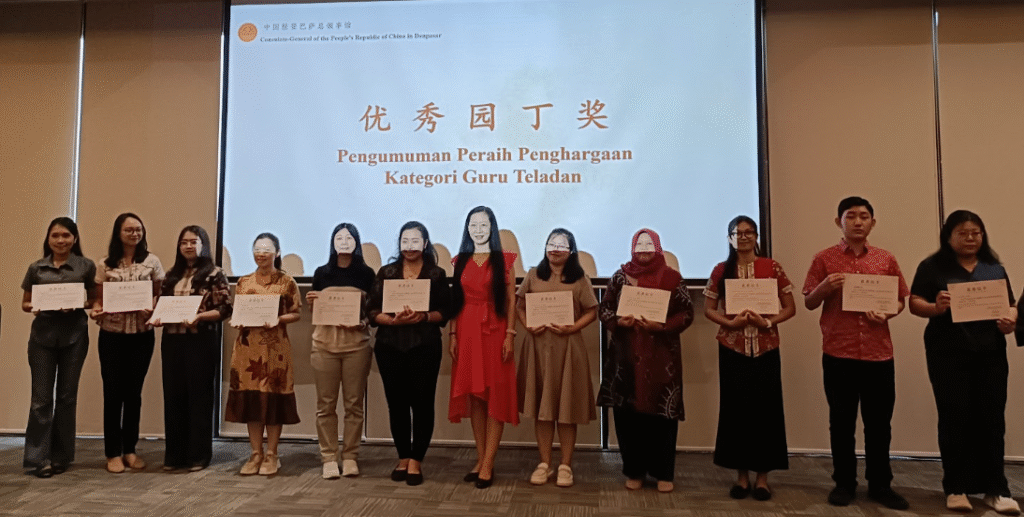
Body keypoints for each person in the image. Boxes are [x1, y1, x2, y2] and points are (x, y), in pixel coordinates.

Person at [909, 210, 1020, 515]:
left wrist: (1010, 321)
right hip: (948, 354)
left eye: (976, 233)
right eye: (963, 233)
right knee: (954, 417)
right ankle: (956, 488)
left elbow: (1011, 305)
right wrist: (935, 307)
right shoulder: (932, 267)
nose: (970, 238)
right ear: (949, 236)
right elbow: (914, 303)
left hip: (991, 354)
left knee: (992, 419)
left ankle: (996, 489)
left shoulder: (993, 268)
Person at [802, 196, 910, 510]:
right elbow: (809, 301)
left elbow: (900, 299)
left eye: (864, 216)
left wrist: (888, 312)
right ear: (839, 222)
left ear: (872, 223)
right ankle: (844, 483)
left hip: (878, 354)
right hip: (839, 352)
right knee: (841, 422)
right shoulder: (824, 258)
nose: (858, 222)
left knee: (879, 424)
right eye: (851, 216)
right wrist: (825, 287)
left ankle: (880, 485)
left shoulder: (885, 259)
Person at [703, 216, 794, 501]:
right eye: (737, 233)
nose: (743, 237)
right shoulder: (721, 270)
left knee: (767, 412)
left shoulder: (772, 267)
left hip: (766, 347)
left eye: (748, 232)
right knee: (736, 412)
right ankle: (742, 478)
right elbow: (709, 309)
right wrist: (730, 323)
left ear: (756, 236)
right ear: (729, 238)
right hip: (733, 348)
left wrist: (767, 322)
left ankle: (763, 479)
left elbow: (789, 307)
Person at [597, 228, 694, 493]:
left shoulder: (672, 278)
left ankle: (663, 472)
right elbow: (605, 309)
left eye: (649, 244)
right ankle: (634, 470)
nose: (643, 248)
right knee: (628, 418)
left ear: (658, 247)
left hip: (662, 359)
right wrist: (620, 321)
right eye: (639, 244)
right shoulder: (620, 277)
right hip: (625, 359)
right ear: (632, 248)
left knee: (662, 417)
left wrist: (662, 326)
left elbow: (686, 313)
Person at [369, 221, 453, 486]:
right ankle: (403, 456)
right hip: (389, 347)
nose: (410, 246)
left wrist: (424, 316)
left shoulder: (436, 274)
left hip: (424, 347)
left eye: (415, 241)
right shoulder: (386, 272)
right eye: (405, 241)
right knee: (397, 404)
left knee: (422, 404)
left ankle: (417, 459)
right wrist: (391, 320)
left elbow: (445, 312)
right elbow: (371, 310)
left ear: (425, 244)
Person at [516, 228, 598, 488]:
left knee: (566, 409)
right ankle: (544, 463)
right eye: (552, 243)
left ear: (571, 251)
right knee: (543, 408)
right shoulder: (533, 275)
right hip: (538, 347)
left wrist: (572, 327)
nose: (555, 249)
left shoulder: (579, 279)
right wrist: (528, 325)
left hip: (568, 348)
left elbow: (592, 311)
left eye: (562, 245)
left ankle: (565, 465)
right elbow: (519, 306)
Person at [20, 217, 97, 478]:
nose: (60, 240)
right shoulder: (36, 268)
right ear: (48, 238)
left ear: (74, 239)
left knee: (66, 398)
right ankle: (36, 459)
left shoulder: (86, 266)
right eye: (55, 235)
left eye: (66, 235)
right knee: (41, 400)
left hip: (74, 337)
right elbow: (25, 303)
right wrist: (36, 306)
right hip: (42, 338)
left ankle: (61, 457)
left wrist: (76, 304)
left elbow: (93, 300)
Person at [150, 226, 231, 472]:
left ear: (203, 245)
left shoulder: (215, 274)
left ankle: (199, 455)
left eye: (193, 242)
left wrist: (199, 316)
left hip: (201, 341)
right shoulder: (171, 275)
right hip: (173, 341)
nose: (188, 246)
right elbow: (161, 305)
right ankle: (175, 456)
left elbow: (225, 309)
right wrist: (156, 316)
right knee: (173, 396)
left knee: (199, 397)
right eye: (183, 242)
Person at [449, 206, 518, 489]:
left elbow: (511, 301)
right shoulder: (459, 261)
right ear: (467, 229)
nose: (478, 230)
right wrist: (452, 334)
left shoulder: (505, 260)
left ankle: (488, 463)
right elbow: (456, 301)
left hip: (495, 330)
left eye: (483, 225)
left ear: (492, 228)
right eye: (473, 225)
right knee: (475, 396)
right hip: (466, 330)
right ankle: (481, 458)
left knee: (495, 397)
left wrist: (510, 335)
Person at [90, 212, 164, 474]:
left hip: (142, 335)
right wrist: (96, 310)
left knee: (133, 394)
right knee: (112, 394)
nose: (134, 234)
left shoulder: (152, 261)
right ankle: (112, 452)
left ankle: (130, 449)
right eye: (129, 230)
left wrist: (153, 308)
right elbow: (98, 299)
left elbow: (159, 295)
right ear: (118, 233)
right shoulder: (105, 264)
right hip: (112, 335)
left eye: (138, 229)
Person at [225, 233, 301, 476]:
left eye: (267, 249)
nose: (261, 253)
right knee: (252, 402)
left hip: (275, 350)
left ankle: (272, 454)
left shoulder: (287, 282)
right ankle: (255, 453)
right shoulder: (243, 282)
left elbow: (296, 313)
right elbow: (239, 312)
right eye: (257, 249)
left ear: (276, 253)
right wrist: (237, 321)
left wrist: (279, 319)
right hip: (247, 350)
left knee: (274, 402)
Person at [306, 223, 375, 480]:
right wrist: (313, 302)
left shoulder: (367, 273)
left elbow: (373, 311)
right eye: (339, 238)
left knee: (354, 405)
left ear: (356, 242)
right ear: (332, 242)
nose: (344, 242)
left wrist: (362, 323)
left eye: (349, 238)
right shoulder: (321, 273)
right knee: (325, 405)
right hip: (324, 346)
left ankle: (350, 456)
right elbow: (317, 312)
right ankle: (328, 456)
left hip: (357, 346)